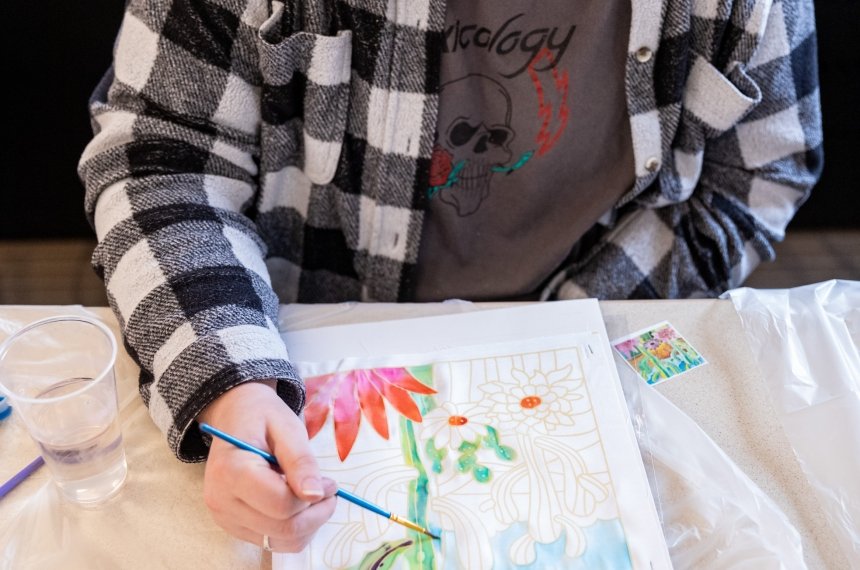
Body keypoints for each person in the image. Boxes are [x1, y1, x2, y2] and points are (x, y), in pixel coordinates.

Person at [79, 0, 822, 554]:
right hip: (295, 332)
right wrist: (229, 376)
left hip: (597, 333)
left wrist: (566, 326)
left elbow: (757, 176)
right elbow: (158, 161)